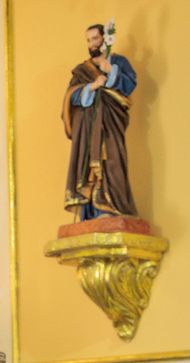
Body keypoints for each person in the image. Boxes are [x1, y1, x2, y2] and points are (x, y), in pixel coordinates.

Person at [63, 23, 137, 221]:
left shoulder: (118, 61)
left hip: (111, 124)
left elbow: (130, 85)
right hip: (88, 128)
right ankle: (91, 212)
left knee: (112, 160)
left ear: (105, 39)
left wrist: (111, 71)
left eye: (95, 39)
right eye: (88, 40)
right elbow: (71, 98)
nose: (91, 44)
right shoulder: (82, 71)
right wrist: (93, 86)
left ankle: (112, 207)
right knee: (88, 165)